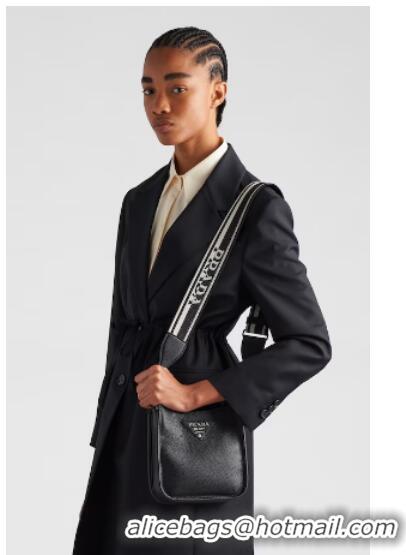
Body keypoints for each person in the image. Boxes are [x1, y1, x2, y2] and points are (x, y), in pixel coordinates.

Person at [72, 26, 332, 555]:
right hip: (126, 424)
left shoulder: (255, 207)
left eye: (177, 88)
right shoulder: (138, 200)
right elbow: (122, 322)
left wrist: (194, 394)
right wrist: (108, 423)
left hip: (193, 440)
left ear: (218, 91)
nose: (159, 105)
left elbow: (309, 343)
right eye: (148, 90)